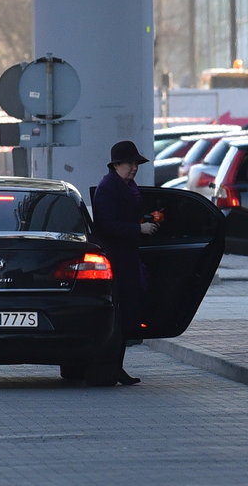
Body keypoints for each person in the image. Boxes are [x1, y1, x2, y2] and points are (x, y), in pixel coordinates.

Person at [93, 140, 159, 385]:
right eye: (130, 163)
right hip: (117, 260)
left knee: (126, 316)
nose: (134, 168)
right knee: (119, 317)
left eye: (136, 164)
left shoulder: (126, 186)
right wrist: (138, 228)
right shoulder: (109, 188)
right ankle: (111, 369)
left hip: (128, 258)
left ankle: (116, 368)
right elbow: (106, 225)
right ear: (117, 164)